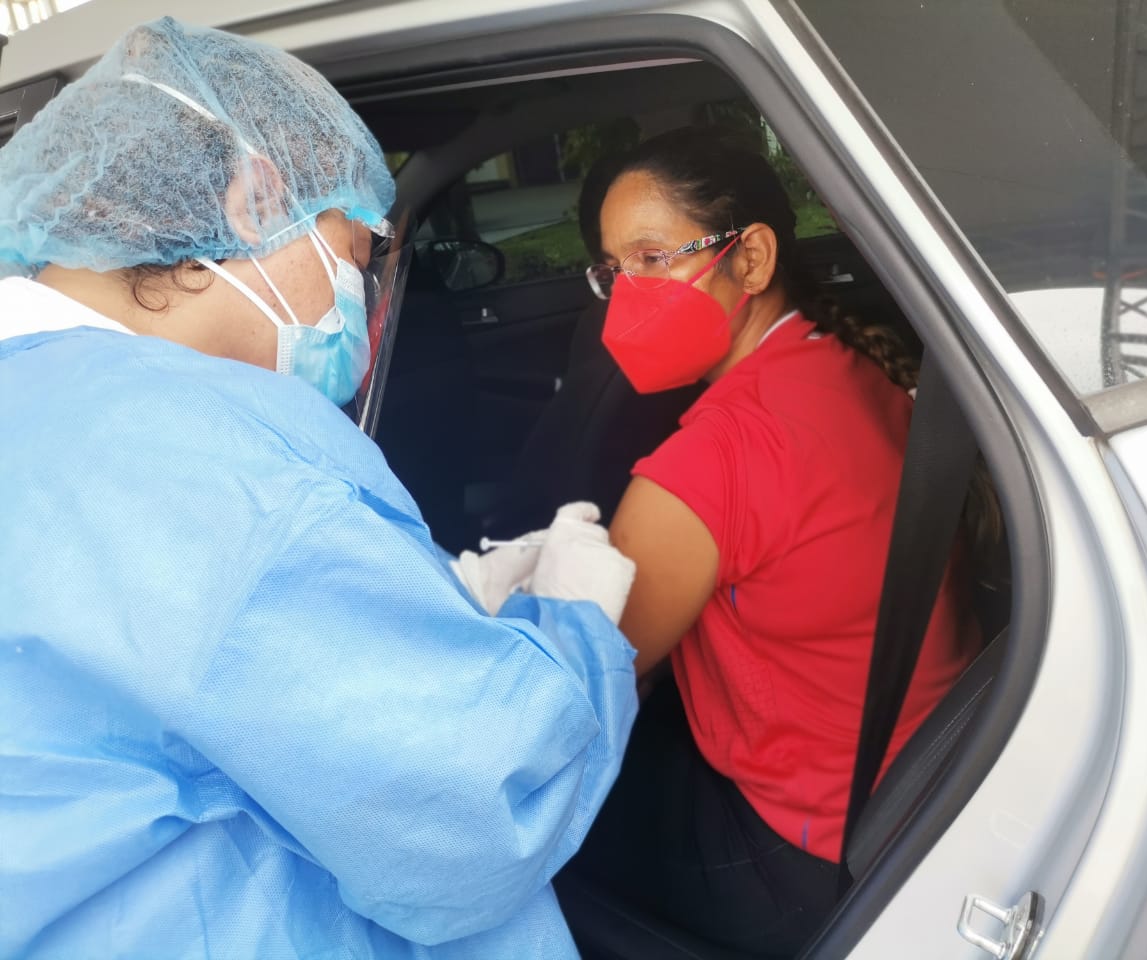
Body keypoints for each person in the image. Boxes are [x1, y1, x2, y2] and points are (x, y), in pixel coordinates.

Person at [0, 18, 638, 960]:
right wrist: (574, 629)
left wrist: (411, 610)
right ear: (256, 198)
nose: (359, 297)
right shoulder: (216, 460)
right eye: (355, 251)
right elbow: (480, 807)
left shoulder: (39, 396)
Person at [562, 129, 991, 956]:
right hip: (925, 774)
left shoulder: (706, 466)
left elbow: (587, 683)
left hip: (801, 850)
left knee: (569, 844)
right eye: (612, 270)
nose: (625, 297)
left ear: (751, 259)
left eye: (652, 258)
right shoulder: (855, 366)